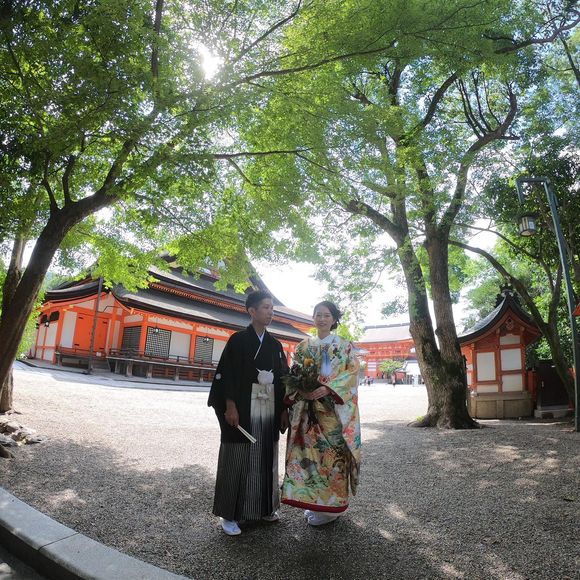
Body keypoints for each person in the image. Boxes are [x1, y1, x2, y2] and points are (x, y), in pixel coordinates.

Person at [208, 290, 289, 536]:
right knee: (237, 456)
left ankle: (265, 508)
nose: (270, 312)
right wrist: (230, 406)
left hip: (268, 406)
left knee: (265, 456)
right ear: (251, 311)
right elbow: (227, 375)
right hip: (242, 406)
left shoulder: (275, 345)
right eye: (266, 307)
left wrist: (284, 409)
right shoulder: (238, 340)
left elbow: (283, 378)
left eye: (272, 308)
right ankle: (230, 514)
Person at [281, 300, 361, 526]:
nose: (322, 318)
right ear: (313, 317)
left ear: (334, 319)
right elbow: (294, 372)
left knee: (333, 458)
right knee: (309, 458)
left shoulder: (344, 346)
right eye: (318, 314)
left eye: (327, 315)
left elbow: (352, 374)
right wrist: (300, 389)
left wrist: (328, 388)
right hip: (307, 413)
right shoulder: (303, 346)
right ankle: (314, 502)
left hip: (332, 414)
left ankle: (332, 508)